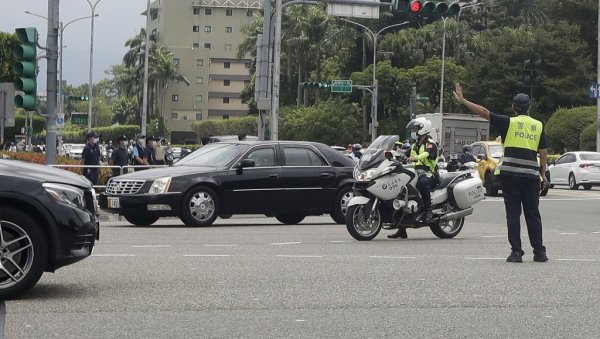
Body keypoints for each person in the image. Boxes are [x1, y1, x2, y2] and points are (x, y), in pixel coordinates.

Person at [453, 83, 548, 263]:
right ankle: (540, 252)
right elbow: (543, 154)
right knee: (533, 214)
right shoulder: (538, 125)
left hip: (510, 176)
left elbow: (484, 112)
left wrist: (463, 100)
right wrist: (543, 175)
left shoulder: (508, 122)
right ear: (530, 107)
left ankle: (517, 252)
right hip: (530, 177)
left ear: (514, 107)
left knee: (513, 214)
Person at [389, 117, 439, 239]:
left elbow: (427, 154)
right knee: (401, 192)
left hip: (429, 174)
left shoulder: (430, 143)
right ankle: (402, 229)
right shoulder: (415, 145)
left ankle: (428, 210)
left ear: (423, 129)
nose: (414, 131)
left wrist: (416, 158)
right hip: (415, 173)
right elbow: (404, 155)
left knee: (423, 184)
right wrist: (393, 154)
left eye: (416, 129)